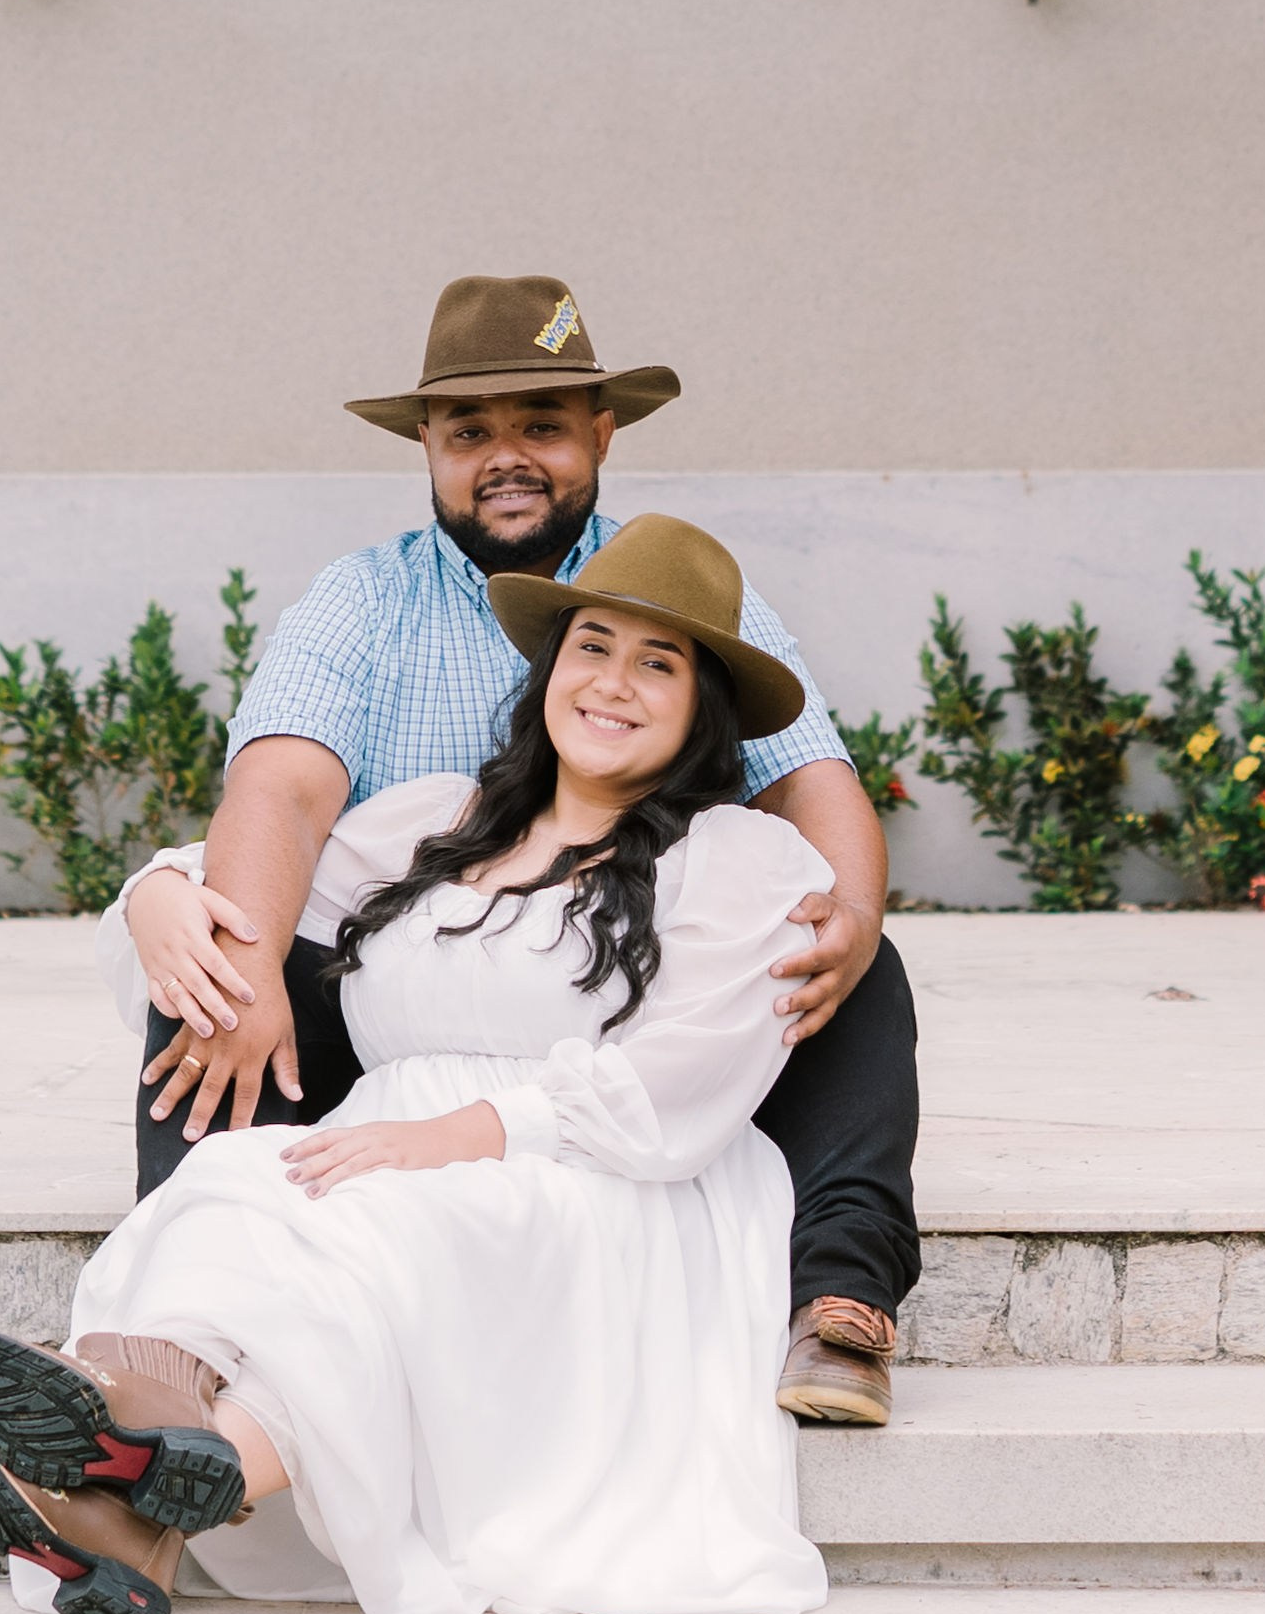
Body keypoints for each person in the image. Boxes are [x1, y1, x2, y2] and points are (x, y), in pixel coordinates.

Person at [0, 518, 839, 1614]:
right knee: (240, 1184)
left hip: (599, 1177)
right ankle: (138, 1471)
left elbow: (682, 1085)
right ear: (551, 669)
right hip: (387, 1147)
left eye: (658, 664)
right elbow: (250, 880)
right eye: (592, 647)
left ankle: (117, 1472)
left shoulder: (740, 859)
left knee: (405, 1230)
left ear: (703, 710)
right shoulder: (439, 822)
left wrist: (458, 1135)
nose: (612, 683)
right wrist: (158, 893)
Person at [125, 274, 919, 1424]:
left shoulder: (678, 586)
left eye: (541, 426)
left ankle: (841, 1293)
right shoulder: (366, 600)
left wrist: (849, 913)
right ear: (428, 448)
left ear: (601, 434)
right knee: (217, 964)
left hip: (615, 993)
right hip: (417, 989)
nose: (507, 458)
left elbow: (809, 776)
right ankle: (174, 1317)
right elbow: (283, 792)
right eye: (470, 433)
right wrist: (215, 943)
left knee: (843, 952)